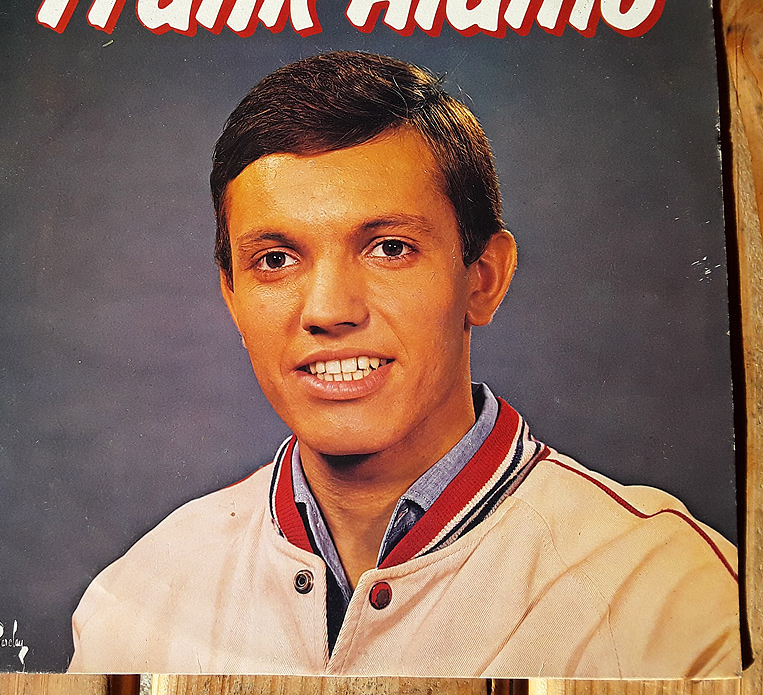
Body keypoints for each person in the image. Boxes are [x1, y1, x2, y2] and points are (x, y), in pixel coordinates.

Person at [68, 51, 740, 678]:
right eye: (275, 259)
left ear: (482, 279)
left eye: (389, 248)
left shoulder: (674, 604)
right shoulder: (135, 601)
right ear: (232, 296)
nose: (328, 310)